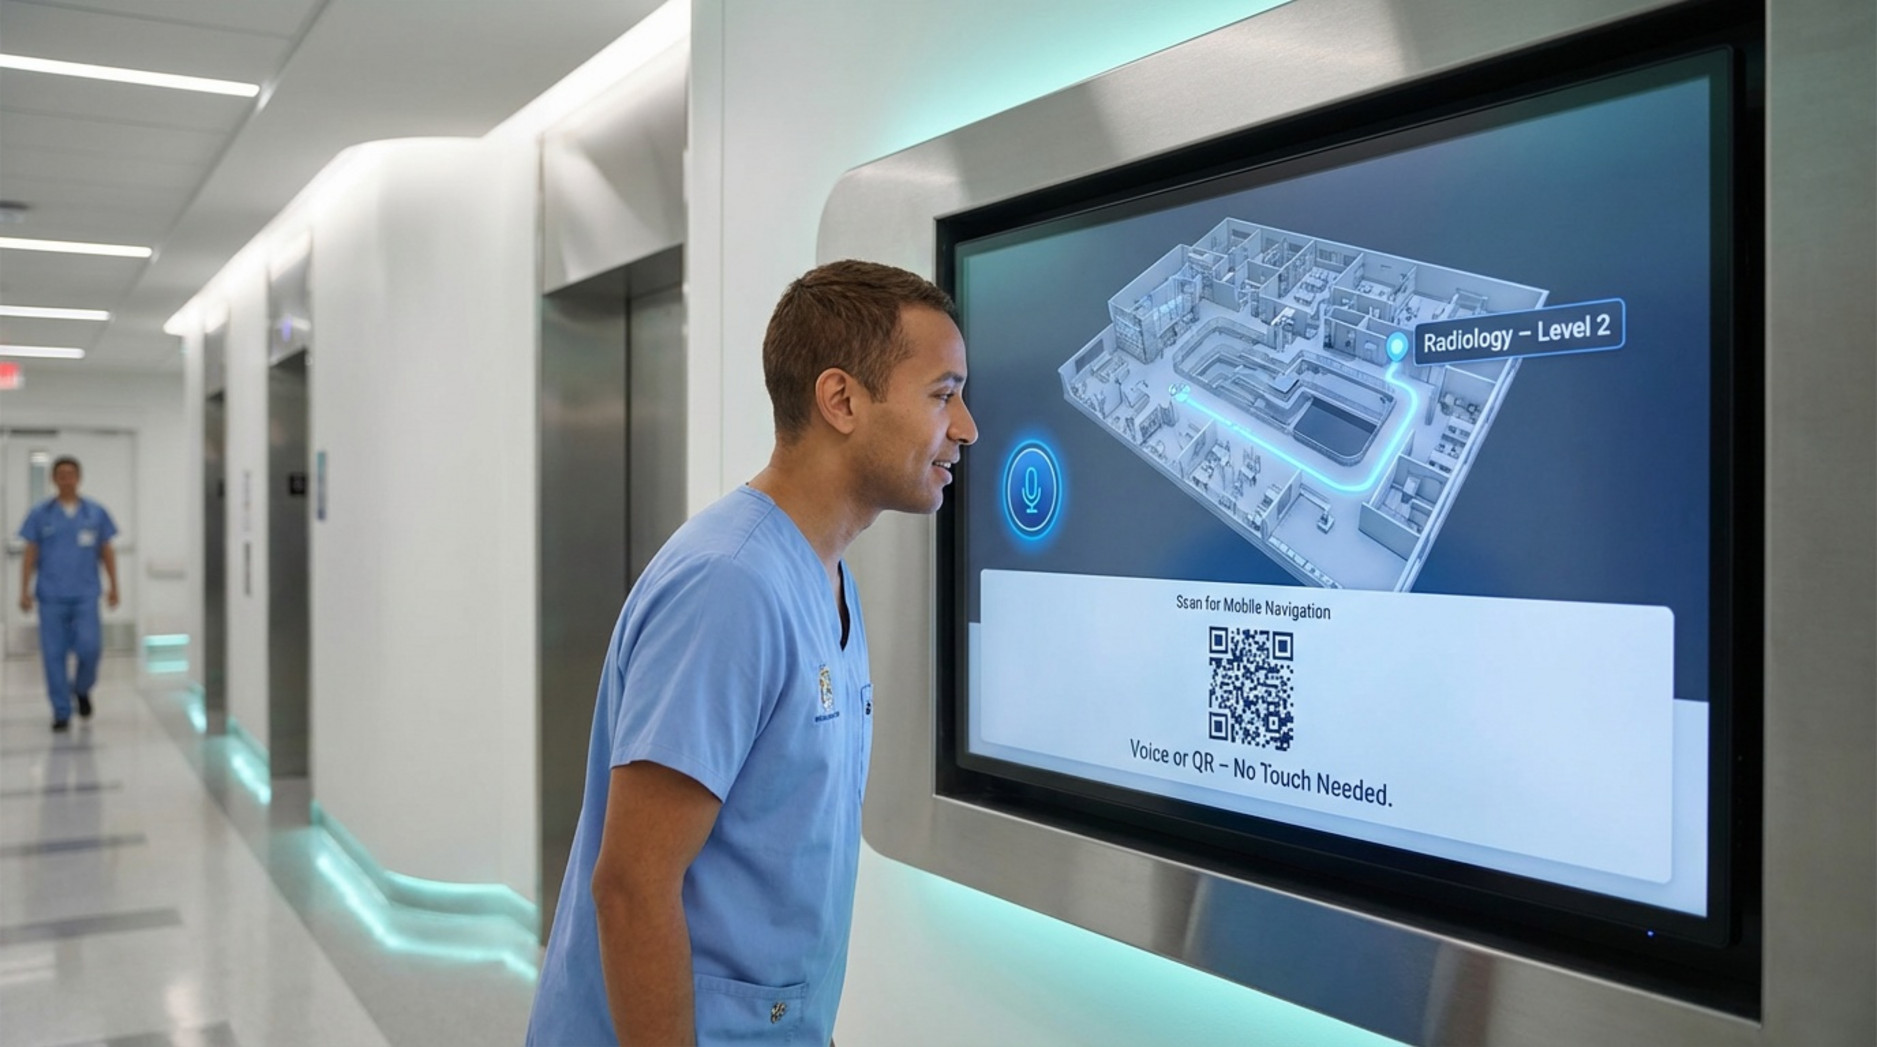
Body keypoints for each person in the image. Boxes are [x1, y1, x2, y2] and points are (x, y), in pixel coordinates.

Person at [526, 260, 977, 1046]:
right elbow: (633, 885)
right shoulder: (730, 586)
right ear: (840, 399)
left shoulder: (824, 573)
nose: (965, 426)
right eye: (942, 394)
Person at [16, 456, 120, 731]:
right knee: (54, 655)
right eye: (60, 474)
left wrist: (114, 586)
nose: (66, 478)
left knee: (90, 648)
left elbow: (106, 551)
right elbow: (30, 553)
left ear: (78, 478)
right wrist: (24, 590)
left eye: (70, 473)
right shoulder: (40, 513)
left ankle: (82, 689)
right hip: (50, 595)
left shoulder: (95, 512)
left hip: (86, 593)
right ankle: (61, 711)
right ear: (53, 479)